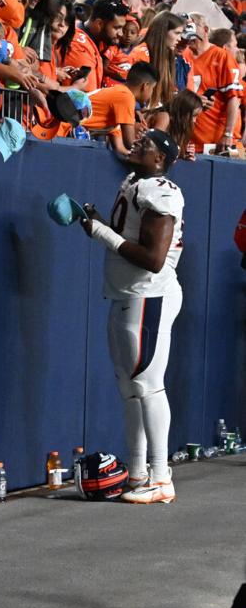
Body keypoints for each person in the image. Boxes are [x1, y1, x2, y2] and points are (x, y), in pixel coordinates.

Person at [78, 130, 185, 505]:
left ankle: (161, 476)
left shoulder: (161, 189)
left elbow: (154, 260)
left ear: (160, 160)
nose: (137, 147)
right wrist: (98, 220)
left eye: (146, 147)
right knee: (130, 388)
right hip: (126, 295)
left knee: (148, 385)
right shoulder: (134, 181)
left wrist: (102, 232)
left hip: (149, 295)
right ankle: (138, 472)